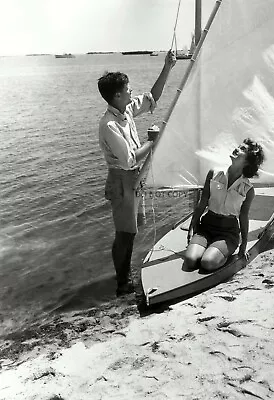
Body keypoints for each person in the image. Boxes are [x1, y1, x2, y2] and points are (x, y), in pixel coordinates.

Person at [97, 50, 176, 296]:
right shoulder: (109, 125)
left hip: (132, 179)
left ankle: (125, 276)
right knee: (124, 234)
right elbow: (129, 158)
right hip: (122, 181)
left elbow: (152, 97)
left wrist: (167, 67)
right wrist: (153, 141)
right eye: (129, 89)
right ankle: (122, 283)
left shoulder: (126, 110)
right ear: (118, 95)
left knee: (130, 232)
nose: (132, 92)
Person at [184, 138, 265, 272]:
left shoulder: (248, 189)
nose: (237, 149)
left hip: (228, 233)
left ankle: (219, 251)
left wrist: (243, 244)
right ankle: (209, 248)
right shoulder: (214, 173)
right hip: (206, 227)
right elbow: (203, 201)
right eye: (239, 146)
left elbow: (243, 217)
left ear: (247, 161)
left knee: (207, 263)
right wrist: (193, 225)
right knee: (191, 261)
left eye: (242, 149)